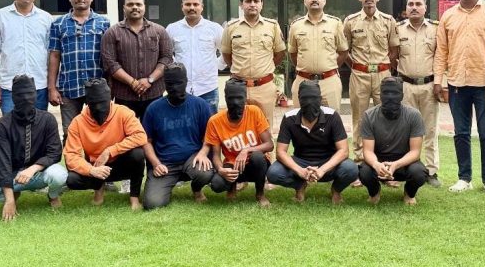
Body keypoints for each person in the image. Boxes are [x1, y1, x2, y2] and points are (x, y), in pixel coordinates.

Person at [433, 0, 485, 195]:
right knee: (461, 133)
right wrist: (438, 81)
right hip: (457, 84)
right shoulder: (448, 16)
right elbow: (441, 51)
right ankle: (464, 178)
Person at [101, 0, 172, 194]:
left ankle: (155, 173)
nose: (135, 7)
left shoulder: (159, 31)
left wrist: (149, 80)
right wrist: (132, 82)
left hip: (154, 94)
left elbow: (166, 58)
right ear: (124, 7)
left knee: (154, 136)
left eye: (138, 4)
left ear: (144, 7)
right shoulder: (113, 33)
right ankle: (127, 178)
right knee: (124, 138)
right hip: (124, 96)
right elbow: (110, 63)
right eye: (130, 4)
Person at [0, 76, 67, 221]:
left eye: (29, 94)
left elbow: (55, 153)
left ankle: (52, 195)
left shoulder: (47, 119)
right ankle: (13, 193)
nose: (26, 99)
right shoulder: (2, 125)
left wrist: (33, 169)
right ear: (13, 97)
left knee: (60, 174)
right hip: (13, 175)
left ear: (35, 95)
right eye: (21, 95)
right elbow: (2, 164)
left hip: (39, 173)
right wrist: (9, 200)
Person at [266, 80, 358, 204]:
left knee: (351, 169)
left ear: (320, 99)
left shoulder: (332, 116)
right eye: (305, 98)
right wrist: (300, 171)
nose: (309, 102)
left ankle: (336, 190)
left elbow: (344, 150)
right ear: (299, 99)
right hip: (301, 161)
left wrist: (322, 170)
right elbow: (280, 152)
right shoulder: (289, 118)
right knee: (273, 173)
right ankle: (300, 185)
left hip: (327, 161)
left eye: (314, 98)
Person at [64, 78, 147, 210]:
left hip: (120, 164)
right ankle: (98, 189)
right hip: (95, 167)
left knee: (138, 154)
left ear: (110, 100)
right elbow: (71, 155)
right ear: (87, 103)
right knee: (72, 179)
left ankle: (134, 197)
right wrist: (91, 170)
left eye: (102, 103)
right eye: (93, 104)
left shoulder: (123, 112)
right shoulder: (77, 122)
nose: (98, 107)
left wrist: (110, 151)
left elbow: (141, 136)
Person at [141, 63, 214, 210]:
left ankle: (197, 189)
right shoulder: (154, 109)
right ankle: (164, 187)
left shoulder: (200, 105)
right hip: (165, 164)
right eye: (170, 84)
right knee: (152, 204)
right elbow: (146, 141)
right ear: (164, 84)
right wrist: (156, 164)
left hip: (192, 159)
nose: (175, 88)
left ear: (186, 81)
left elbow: (210, 137)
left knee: (205, 173)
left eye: (179, 83)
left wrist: (202, 153)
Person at [343, 0, 398, 167]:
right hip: (359, 75)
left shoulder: (388, 21)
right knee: (359, 118)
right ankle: (360, 160)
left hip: (383, 75)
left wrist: (383, 66)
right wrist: (356, 66)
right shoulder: (350, 21)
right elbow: (345, 50)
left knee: (386, 117)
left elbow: (394, 50)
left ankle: (385, 160)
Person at [48, 0, 110, 141]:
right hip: (69, 87)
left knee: (100, 132)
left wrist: (110, 86)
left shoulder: (104, 23)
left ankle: (97, 159)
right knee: (70, 133)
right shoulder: (58, 24)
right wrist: (52, 88)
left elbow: (109, 56)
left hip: (97, 87)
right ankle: (72, 159)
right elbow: (54, 56)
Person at [221, 0, 286, 131]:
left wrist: (265, 68)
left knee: (265, 128)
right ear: (241, 4)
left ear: (261, 4)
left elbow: (280, 53)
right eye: (248, 1)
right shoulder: (231, 27)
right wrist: (239, 70)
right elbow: (226, 54)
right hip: (238, 87)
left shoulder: (272, 26)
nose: (252, 4)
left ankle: (267, 150)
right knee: (239, 129)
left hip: (264, 87)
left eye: (256, 1)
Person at [0, 0, 52, 114]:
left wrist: (52, 85)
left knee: (38, 126)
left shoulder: (46, 18)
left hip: (40, 87)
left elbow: (51, 54)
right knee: (11, 126)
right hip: (9, 88)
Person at [358, 77, 428, 205]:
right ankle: (374, 192)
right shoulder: (369, 115)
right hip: (379, 161)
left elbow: (415, 152)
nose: (390, 97)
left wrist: (396, 164)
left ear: (402, 95)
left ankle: (409, 193)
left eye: (395, 93)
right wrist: (376, 165)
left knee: (419, 173)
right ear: (380, 95)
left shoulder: (414, 115)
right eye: (386, 93)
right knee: (364, 171)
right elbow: (367, 151)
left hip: (404, 162)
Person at [396, 0, 441, 188]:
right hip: (406, 85)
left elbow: (441, 57)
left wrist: (440, 83)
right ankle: (408, 166)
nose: (414, 7)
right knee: (405, 129)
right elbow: (392, 56)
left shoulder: (436, 29)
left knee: (430, 129)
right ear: (406, 9)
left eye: (418, 4)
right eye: (410, 4)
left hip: (429, 85)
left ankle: (431, 171)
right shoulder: (398, 29)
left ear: (425, 7)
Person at [205, 78, 274, 207]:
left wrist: (246, 150)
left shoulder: (254, 112)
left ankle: (260, 194)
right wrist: (220, 169)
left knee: (258, 157)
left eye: (239, 98)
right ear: (225, 98)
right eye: (231, 98)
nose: (236, 102)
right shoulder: (215, 121)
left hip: (255, 165)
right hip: (233, 166)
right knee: (217, 184)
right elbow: (216, 155)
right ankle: (232, 188)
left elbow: (269, 145)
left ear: (245, 98)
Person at [288, 0, 348, 111]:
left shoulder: (335, 23)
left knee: (330, 119)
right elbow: (293, 53)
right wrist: (306, 68)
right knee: (301, 119)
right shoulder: (295, 25)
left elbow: (343, 51)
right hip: (303, 81)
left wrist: (329, 66)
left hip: (329, 82)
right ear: (305, 1)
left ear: (324, 1)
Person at [166, 0, 224, 113]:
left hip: (208, 88)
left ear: (202, 7)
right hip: (181, 89)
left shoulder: (214, 28)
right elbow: (166, 54)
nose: (191, 7)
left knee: (209, 123)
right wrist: (176, 68)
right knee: (184, 122)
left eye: (195, 4)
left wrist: (217, 65)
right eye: (188, 4)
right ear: (182, 7)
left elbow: (226, 51)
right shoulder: (172, 29)